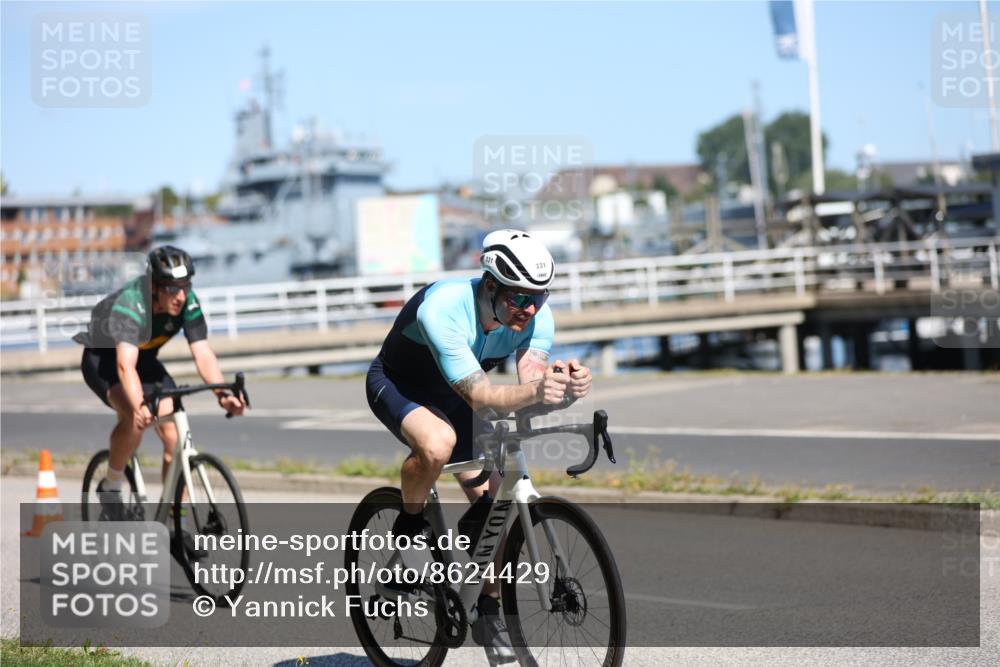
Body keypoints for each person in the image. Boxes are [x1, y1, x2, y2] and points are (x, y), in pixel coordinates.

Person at [366, 229, 592, 663]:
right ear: (490, 285)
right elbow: (485, 397)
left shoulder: (537, 317)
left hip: (459, 395)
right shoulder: (444, 308)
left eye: (539, 297)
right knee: (438, 444)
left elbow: (530, 385)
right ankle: (409, 526)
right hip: (400, 385)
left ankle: (488, 607)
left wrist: (564, 387)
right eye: (519, 297)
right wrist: (537, 391)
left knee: (496, 504)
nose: (530, 309)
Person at [75, 246, 245, 519]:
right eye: (172, 288)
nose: (181, 296)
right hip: (104, 361)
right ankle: (111, 486)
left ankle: (175, 519)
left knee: (174, 437)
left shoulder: (186, 302)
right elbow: (124, 365)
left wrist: (222, 394)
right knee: (134, 418)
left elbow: (203, 353)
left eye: (186, 286)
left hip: (144, 360)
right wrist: (138, 405)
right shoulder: (132, 302)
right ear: (154, 287)